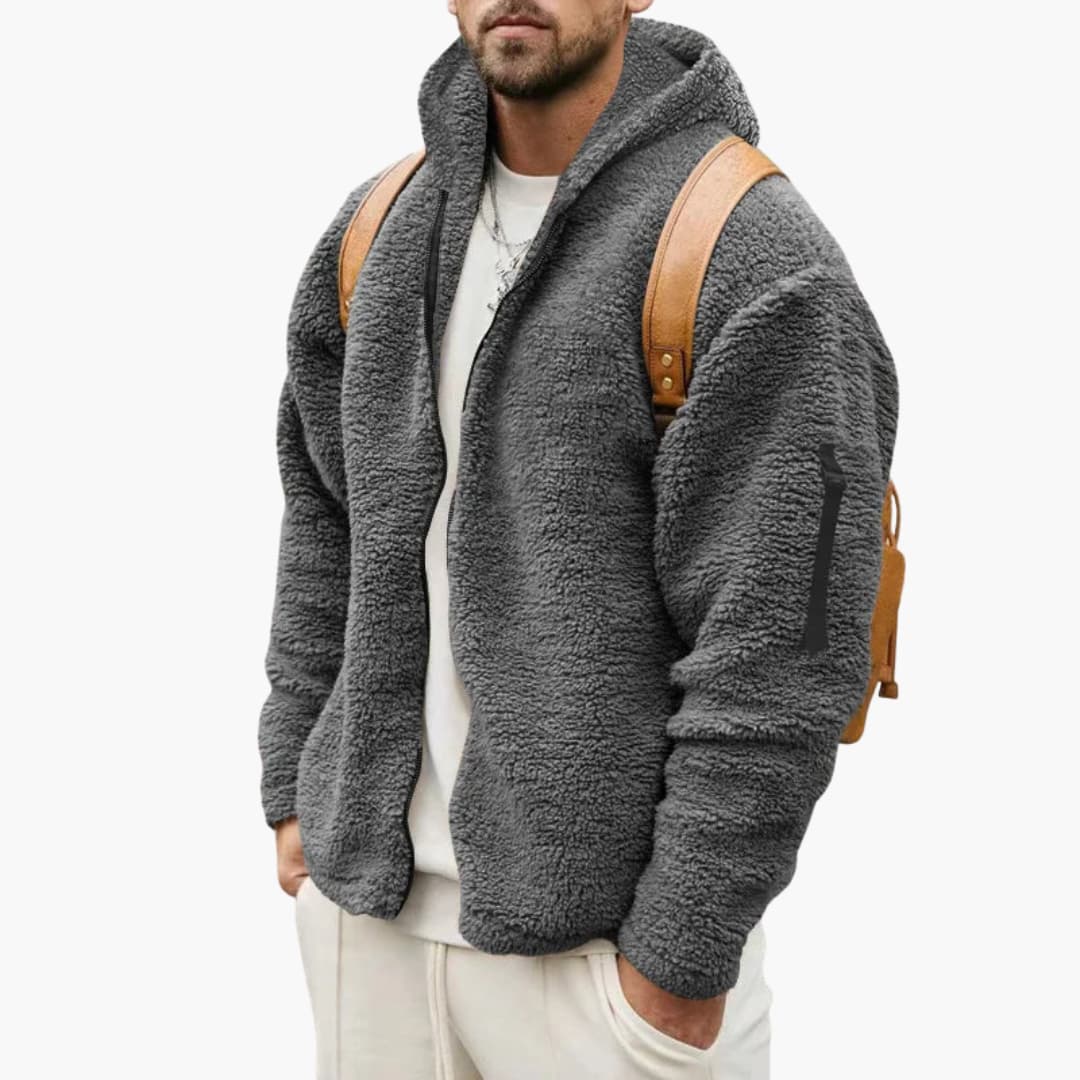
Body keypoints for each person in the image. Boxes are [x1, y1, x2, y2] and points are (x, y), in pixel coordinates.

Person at [258, 2, 900, 1077]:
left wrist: (684, 947)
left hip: (604, 966)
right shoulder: (379, 228)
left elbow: (788, 639)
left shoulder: (745, 246)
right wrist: (294, 789)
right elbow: (324, 520)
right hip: (365, 924)